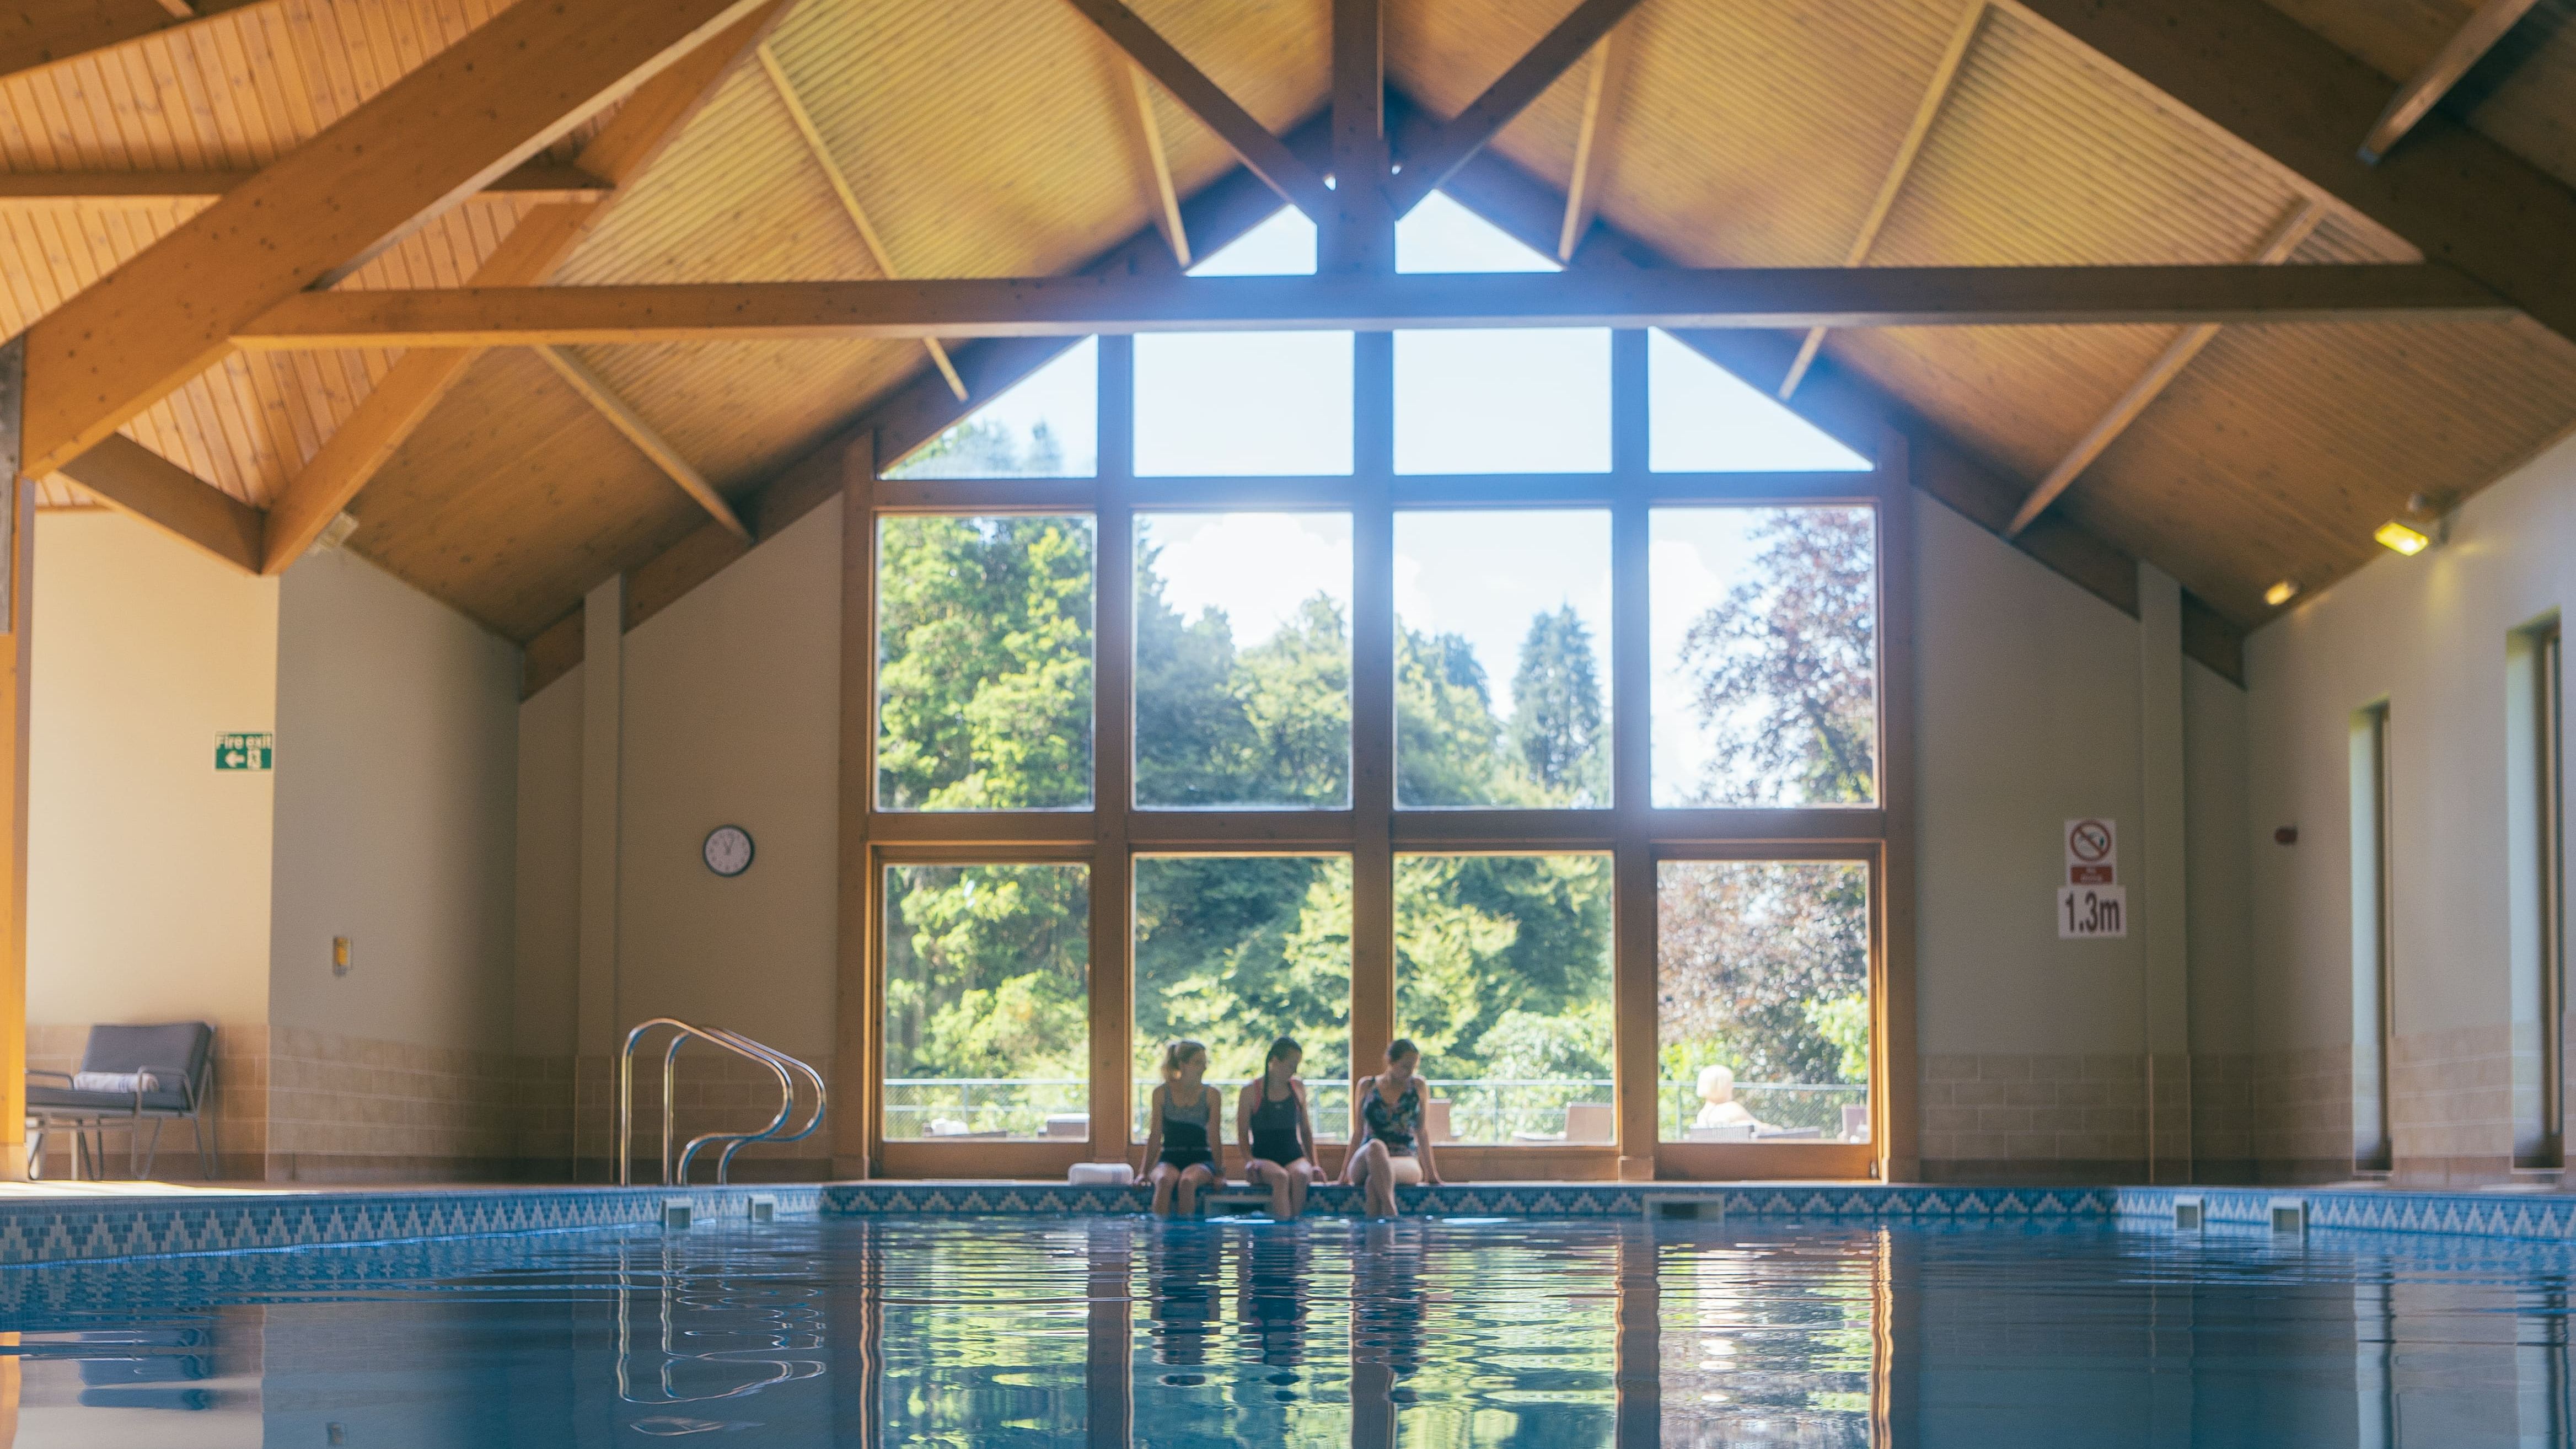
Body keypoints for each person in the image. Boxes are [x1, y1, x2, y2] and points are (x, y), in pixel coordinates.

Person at [1342, 1038, 1441, 1217]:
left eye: (1413, 1067)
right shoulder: (1367, 1086)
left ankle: (1377, 1240)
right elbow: (1358, 1132)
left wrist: (1431, 1174)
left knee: (1375, 1183)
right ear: (1390, 1061)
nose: (1409, 1072)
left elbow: (1421, 1131)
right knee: (1376, 1146)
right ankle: (1391, 1213)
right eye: (1405, 1066)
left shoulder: (1418, 1086)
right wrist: (1343, 1175)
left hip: (1403, 1157)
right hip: (1367, 1156)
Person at [1236, 1036, 1324, 1219]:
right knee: (1281, 1178)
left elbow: (1306, 1131)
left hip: (1294, 1155)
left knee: (1300, 1175)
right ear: (1274, 1062)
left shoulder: (1297, 1088)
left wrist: (1315, 1164)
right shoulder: (1250, 1092)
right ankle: (1283, 1232)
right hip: (1263, 1157)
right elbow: (1243, 1134)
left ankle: (1295, 1227)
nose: (1294, 1071)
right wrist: (1249, 1160)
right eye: (1291, 1065)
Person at [1139, 1039, 1224, 1216]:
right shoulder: (1162, 1093)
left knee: (1187, 1182)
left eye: (1204, 1063)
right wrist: (1143, 1173)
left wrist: (1220, 1172)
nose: (1204, 1068)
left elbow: (1215, 1136)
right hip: (1170, 1156)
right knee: (1163, 1181)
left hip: (1201, 1158)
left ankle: (1188, 1238)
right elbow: (1155, 1135)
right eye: (1198, 1063)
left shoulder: (1211, 1095)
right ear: (1183, 1065)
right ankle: (1160, 1237)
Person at [1692, 1063, 1768, 1135]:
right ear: (1721, 1086)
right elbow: (1762, 1129)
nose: (1732, 1087)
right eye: (1729, 1083)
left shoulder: (1702, 1115)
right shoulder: (1731, 1109)